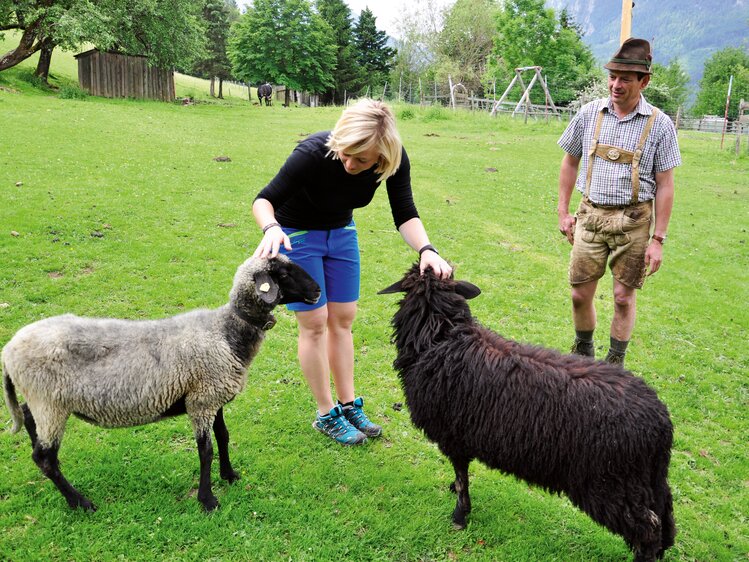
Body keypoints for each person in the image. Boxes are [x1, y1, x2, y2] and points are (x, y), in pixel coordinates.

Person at [252, 99, 453, 445]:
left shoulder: (394, 160)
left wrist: (426, 249)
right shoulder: (314, 152)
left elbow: (405, 212)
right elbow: (264, 199)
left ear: (382, 156)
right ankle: (325, 413)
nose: (349, 163)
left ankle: (348, 404)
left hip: (342, 233)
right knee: (314, 323)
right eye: (345, 153)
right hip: (295, 235)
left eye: (361, 160)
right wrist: (271, 227)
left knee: (343, 318)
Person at [556, 38, 681, 365]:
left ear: (644, 81)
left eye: (626, 78)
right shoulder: (589, 114)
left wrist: (659, 239)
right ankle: (583, 355)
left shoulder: (660, 124)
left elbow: (666, 185)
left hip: (634, 223)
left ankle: (615, 365)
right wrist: (563, 212)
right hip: (591, 217)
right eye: (613, 76)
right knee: (579, 293)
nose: (616, 84)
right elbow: (570, 162)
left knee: (623, 298)